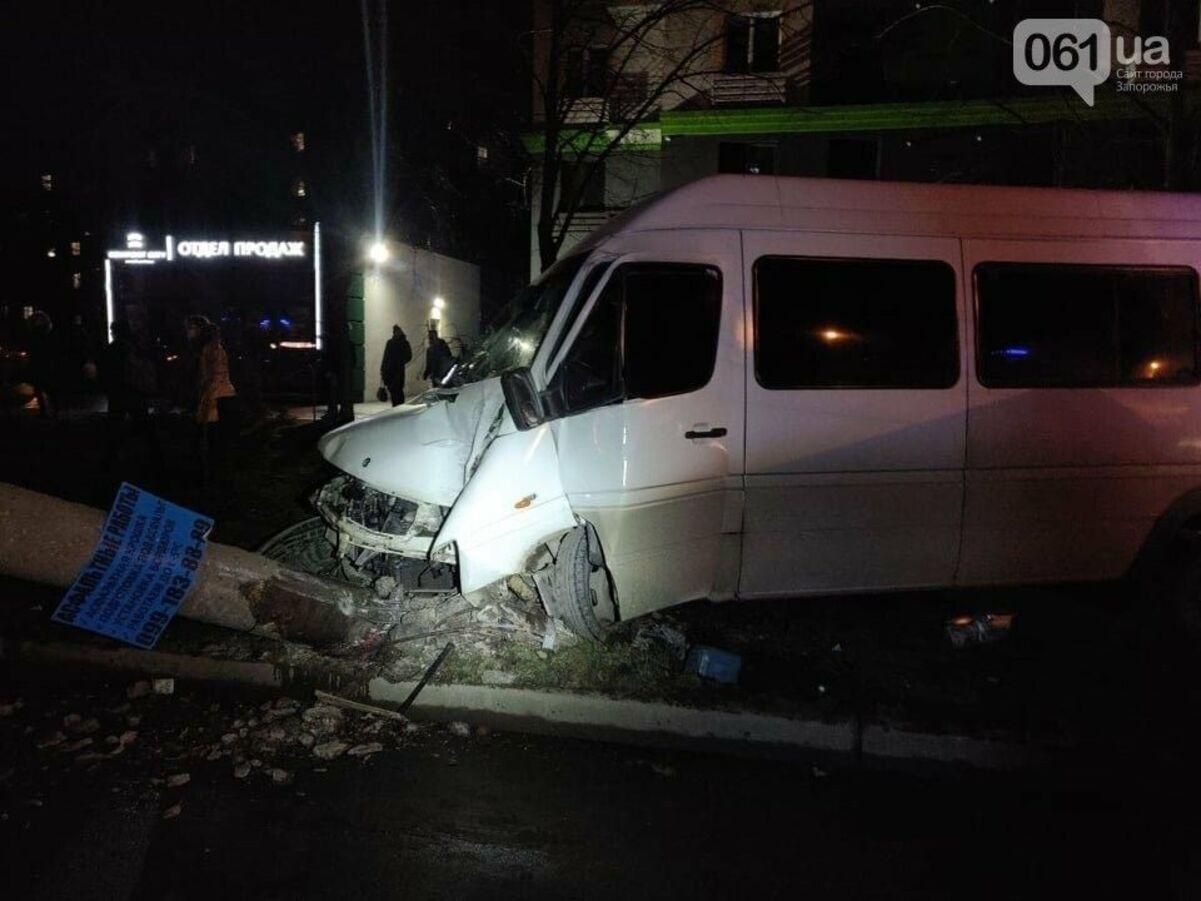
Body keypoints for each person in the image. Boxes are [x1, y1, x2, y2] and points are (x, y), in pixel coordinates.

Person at [102, 319, 163, 473]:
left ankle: (114, 455)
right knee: (143, 422)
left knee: (115, 422)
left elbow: (108, 370)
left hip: (119, 391)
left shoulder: (113, 348)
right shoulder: (135, 347)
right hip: (135, 390)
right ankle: (154, 454)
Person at [185, 314, 237, 489]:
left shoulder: (209, 349)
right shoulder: (215, 347)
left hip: (216, 397)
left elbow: (208, 377)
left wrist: (203, 397)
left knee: (213, 439)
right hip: (222, 395)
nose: (188, 333)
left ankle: (213, 479)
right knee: (218, 440)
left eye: (191, 328)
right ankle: (218, 477)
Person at [26, 310, 59, 417]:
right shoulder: (47, 335)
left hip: (40, 364)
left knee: (42, 388)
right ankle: (52, 410)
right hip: (45, 364)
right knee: (46, 388)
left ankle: (46, 411)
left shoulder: (34, 336)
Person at [380, 325, 412, 406]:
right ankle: (396, 406)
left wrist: (400, 361)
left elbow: (409, 356)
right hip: (390, 371)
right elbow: (386, 356)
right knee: (393, 391)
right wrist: (383, 369)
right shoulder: (390, 342)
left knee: (398, 390)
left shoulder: (404, 343)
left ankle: (399, 407)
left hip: (398, 371)